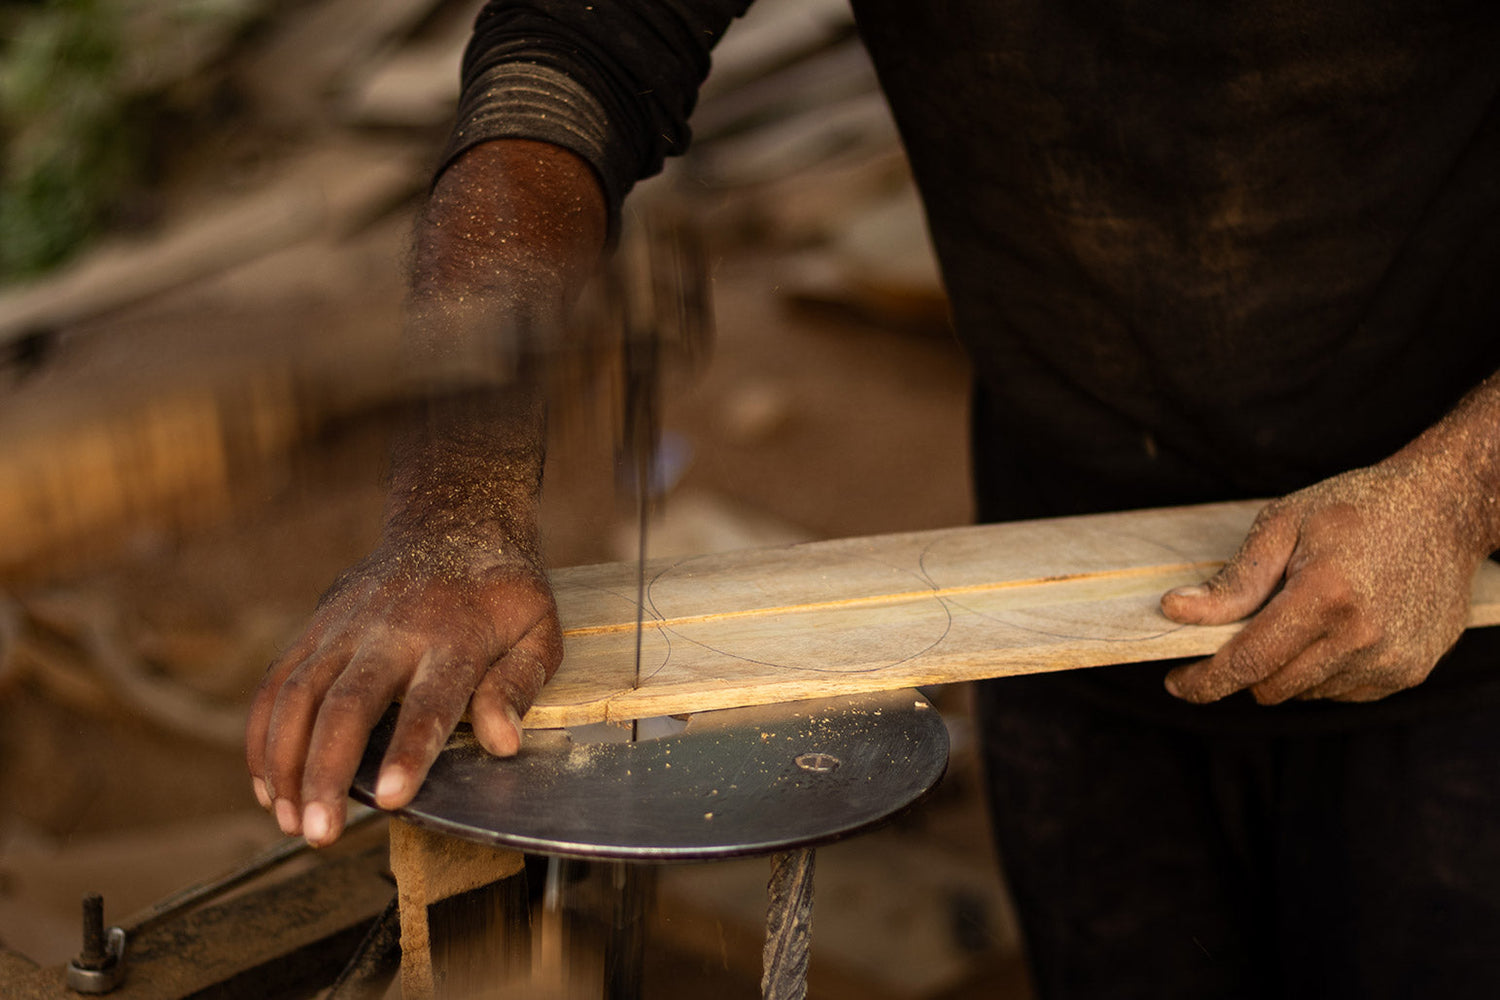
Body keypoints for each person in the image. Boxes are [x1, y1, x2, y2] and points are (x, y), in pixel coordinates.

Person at [246, 2, 1500, 995]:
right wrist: (452, 510)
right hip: (1064, 565)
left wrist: (1458, 491)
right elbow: (565, 50)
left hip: (1469, 585)